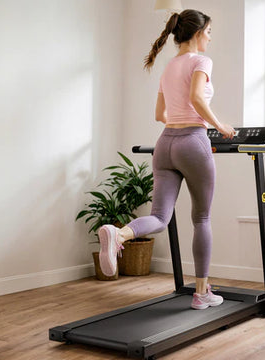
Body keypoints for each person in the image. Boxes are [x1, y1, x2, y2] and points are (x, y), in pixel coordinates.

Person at [98, 9, 235, 310]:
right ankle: (201, 294)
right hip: (193, 142)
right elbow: (198, 98)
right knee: (201, 218)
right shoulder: (201, 61)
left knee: (160, 218)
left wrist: (181, 115)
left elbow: (160, 115)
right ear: (198, 33)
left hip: (165, 144)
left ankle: (118, 233)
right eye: (209, 32)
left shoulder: (169, 66)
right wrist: (220, 125)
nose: (210, 39)